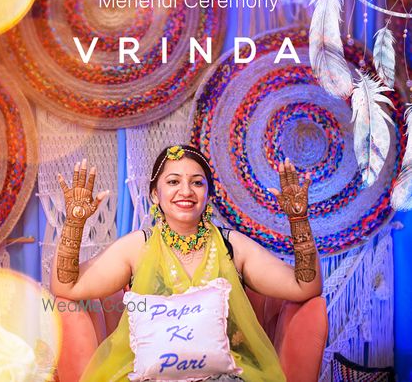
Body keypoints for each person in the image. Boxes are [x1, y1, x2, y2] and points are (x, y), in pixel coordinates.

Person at [51, 145, 323, 381]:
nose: (186, 191)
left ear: (209, 195)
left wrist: (298, 220)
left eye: (197, 183)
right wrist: (74, 222)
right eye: (173, 181)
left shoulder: (233, 246)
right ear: (155, 194)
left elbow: (305, 287)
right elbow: (67, 287)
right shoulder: (137, 247)